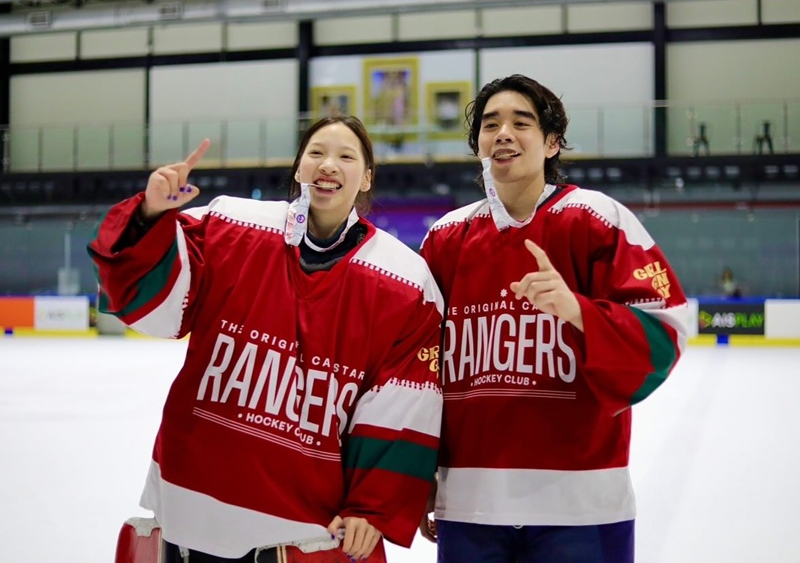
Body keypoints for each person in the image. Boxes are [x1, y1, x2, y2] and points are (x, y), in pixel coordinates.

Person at [87, 116, 444, 563]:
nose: (328, 164)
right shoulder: (232, 224)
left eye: (346, 156)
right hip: (189, 512)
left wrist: (371, 506)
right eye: (316, 153)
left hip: (301, 531)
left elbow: (402, 400)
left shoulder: (405, 280)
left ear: (367, 176)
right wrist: (152, 214)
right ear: (298, 169)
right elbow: (155, 309)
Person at [418, 74, 689, 563]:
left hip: (582, 506)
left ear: (551, 142)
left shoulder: (596, 218)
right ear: (477, 143)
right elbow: (417, 367)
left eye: (521, 123)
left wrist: (578, 311)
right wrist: (419, 476)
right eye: (490, 124)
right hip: (470, 504)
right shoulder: (445, 237)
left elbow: (666, 330)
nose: (503, 133)